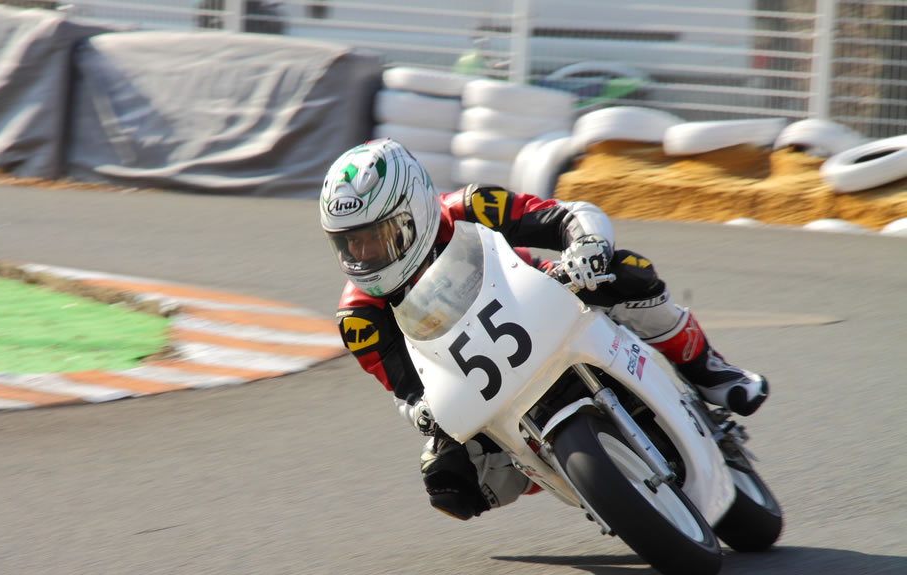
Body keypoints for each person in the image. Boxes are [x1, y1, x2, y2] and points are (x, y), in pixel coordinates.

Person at [320, 138, 768, 521]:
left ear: (415, 208)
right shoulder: (359, 317)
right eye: (350, 242)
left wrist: (586, 247)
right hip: (471, 372)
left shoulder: (470, 207)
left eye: (376, 235)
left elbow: (567, 217)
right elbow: (407, 391)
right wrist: (421, 412)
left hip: (537, 297)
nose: (364, 253)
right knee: (448, 480)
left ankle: (708, 370)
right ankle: (571, 475)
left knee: (626, 269)